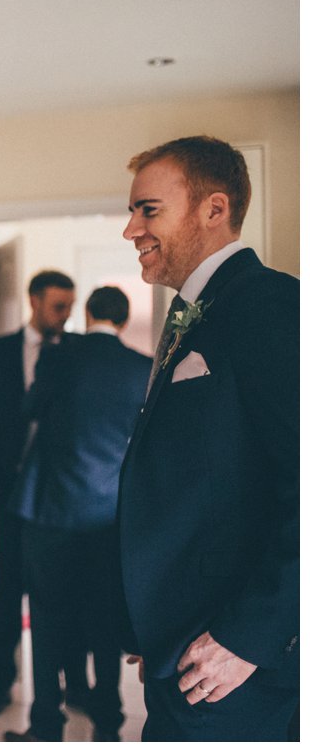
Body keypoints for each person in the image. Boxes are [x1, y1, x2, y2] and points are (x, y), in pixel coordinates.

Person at [117, 136, 298, 741]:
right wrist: (156, 617)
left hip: (238, 667)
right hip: (182, 643)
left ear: (213, 209)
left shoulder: (272, 305)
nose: (130, 230)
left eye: (148, 210)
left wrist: (249, 637)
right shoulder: (192, 311)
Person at [2, 286, 150, 742]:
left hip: (50, 510)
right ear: (122, 321)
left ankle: (46, 723)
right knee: (105, 620)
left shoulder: (58, 356)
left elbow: (29, 410)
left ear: (87, 315)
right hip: (107, 516)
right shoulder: (142, 369)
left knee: (47, 619)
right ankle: (107, 724)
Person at [0, 269, 92, 717]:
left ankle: (74, 684)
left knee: (67, 594)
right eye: (59, 306)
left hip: (62, 500)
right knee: (5, 593)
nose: (65, 315)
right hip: (9, 494)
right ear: (34, 301)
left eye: (70, 306)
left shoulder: (79, 352)